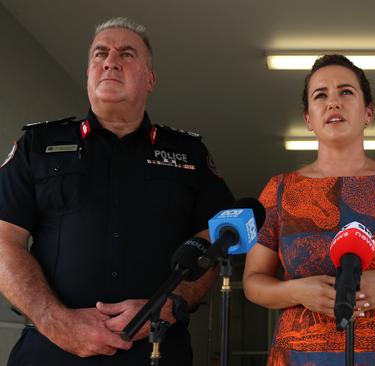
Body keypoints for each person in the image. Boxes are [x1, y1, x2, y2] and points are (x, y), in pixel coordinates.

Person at [0, 17, 234, 365]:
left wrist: (170, 306)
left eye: (127, 54)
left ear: (150, 79)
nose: (110, 61)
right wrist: (55, 321)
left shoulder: (188, 154)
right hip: (51, 349)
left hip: (156, 349)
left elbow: (216, 239)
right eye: (100, 54)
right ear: (89, 74)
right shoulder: (38, 145)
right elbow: (5, 240)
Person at [243, 54, 375, 365]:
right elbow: (253, 282)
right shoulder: (280, 190)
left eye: (346, 92)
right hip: (299, 356)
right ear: (308, 119)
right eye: (320, 95)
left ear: (369, 111)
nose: (333, 103)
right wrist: (298, 292)